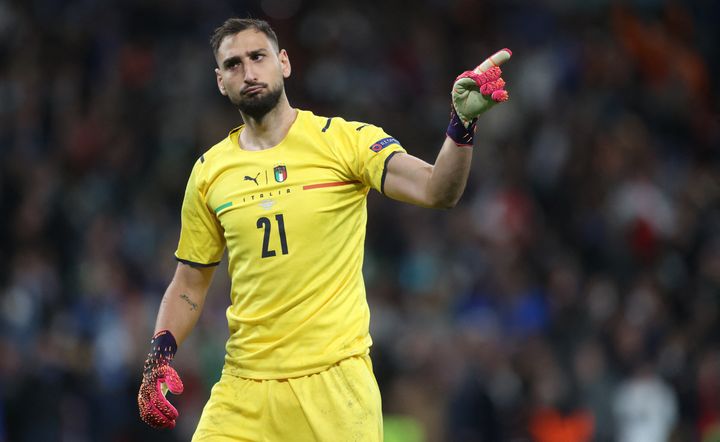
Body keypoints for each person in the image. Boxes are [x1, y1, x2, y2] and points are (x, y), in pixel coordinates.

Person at [137, 17, 511, 441]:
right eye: (234, 64)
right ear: (221, 81)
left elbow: (436, 189)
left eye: (258, 57)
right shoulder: (209, 172)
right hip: (244, 389)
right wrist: (159, 355)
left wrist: (461, 124)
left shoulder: (344, 141)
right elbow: (189, 282)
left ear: (284, 63)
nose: (249, 71)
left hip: (335, 388)